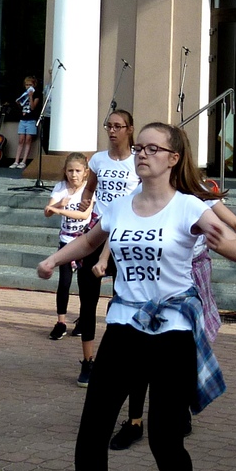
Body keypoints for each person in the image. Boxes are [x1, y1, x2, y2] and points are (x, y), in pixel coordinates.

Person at [38, 122, 236, 471]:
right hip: (124, 327)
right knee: (91, 434)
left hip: (172, 333)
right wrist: (53, 260)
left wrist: (224, 242)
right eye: (139, 147)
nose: (141, 154)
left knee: (165, 439)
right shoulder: (120, 207)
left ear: (174, 158)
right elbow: (89, 242)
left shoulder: (189, 207)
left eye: (152, 149)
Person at [87, 111, 145, 449]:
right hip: (105, 241)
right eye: (108, 125)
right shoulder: (100, 163)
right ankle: (129, 419)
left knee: (148, 356)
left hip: (160, 296)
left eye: (118, 126)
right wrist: (54, 259)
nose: (112, 131)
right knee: (121, 352)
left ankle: (166, 411)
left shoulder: (179, 201)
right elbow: (101, 224)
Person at [43, 151, 100, 386]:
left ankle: (84, 322)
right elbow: (47, 211)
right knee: (64, 283)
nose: (73, 175)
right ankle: (61, 322)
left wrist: (61, 210)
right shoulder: (60, 188)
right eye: (70, 171)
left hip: (85, 242)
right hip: (66, 242)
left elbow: (84, 213)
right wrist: (57, 205)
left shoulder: (89, 189)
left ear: (85, 172)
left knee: (85, 289)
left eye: (77, 171)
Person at [11, 75, 40, 170]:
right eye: (27, 85)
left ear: (34, 85)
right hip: (23, 119)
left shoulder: (36, 95)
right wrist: (18, 103)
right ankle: (16, 160)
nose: (28, 86)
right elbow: (21, 106)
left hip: (31, 120)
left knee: (28, 140)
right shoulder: (23, 94)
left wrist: (30, 97)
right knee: (21, 140)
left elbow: (33, 107)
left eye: (30, 85)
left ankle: (24, 161)